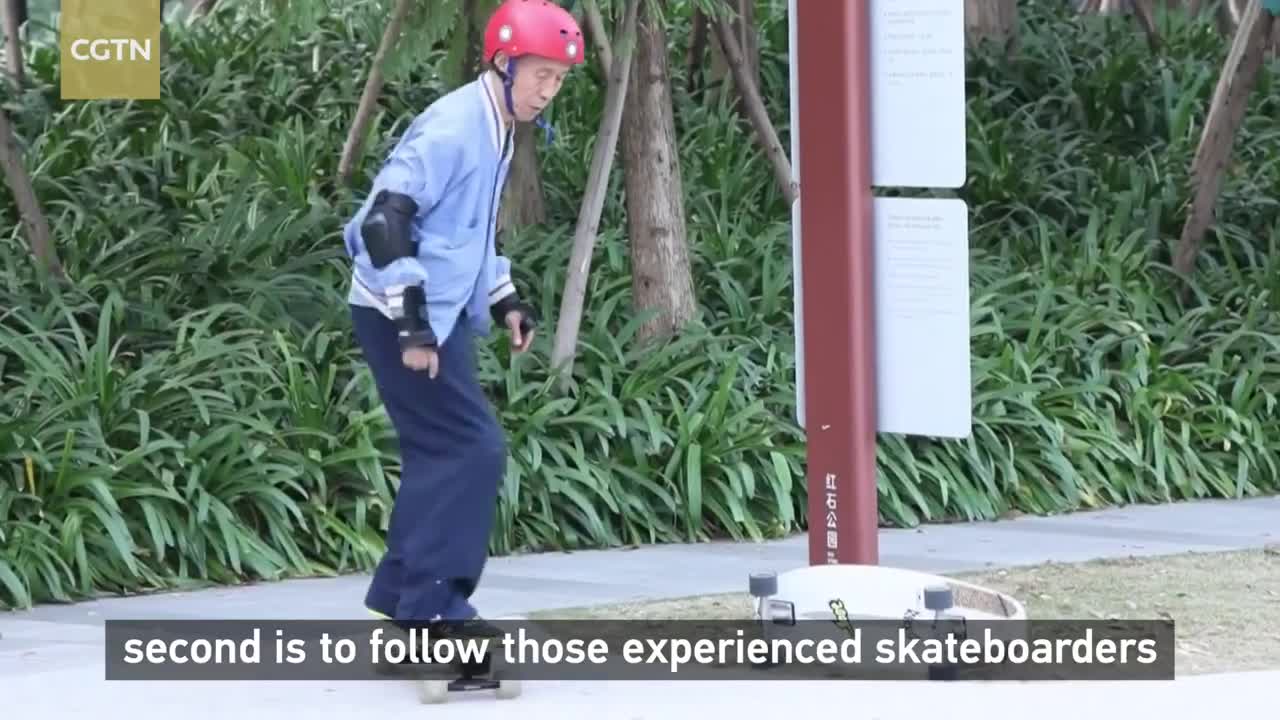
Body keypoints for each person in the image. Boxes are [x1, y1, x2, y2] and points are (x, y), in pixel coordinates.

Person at [341, 0, 585, 639]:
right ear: (504, 63)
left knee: (437, 451)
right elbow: (384, 220)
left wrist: (504, 299)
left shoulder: (496, 122)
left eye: (558, 78)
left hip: (436, 312)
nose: (548, 90)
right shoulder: (454, 128)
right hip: (403, 314)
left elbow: (466, 230)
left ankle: (402, 595)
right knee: (471, 449)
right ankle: (436, 611)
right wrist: (413, 325)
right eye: (539, 75)